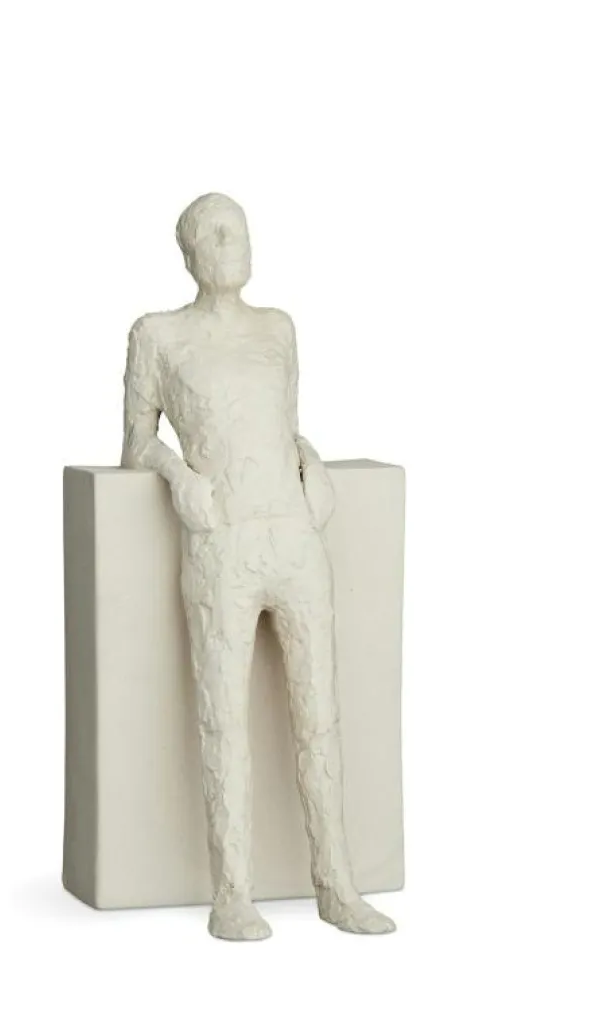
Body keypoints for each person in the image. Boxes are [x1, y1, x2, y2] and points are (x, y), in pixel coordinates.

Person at [122, 193, 395, 940]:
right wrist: (179, 477)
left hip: (293, 535)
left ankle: (337, 886)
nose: (231, 239)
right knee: (225, 717)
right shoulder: (158, 334)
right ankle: (232, 895)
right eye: (214, 232)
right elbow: (136, 441)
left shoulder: (279, 328)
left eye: (237, 229)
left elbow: (284, 422)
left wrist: (311, 461)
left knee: (321, 715)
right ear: (189, 254)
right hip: (224, 539)